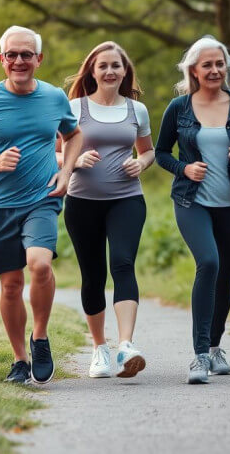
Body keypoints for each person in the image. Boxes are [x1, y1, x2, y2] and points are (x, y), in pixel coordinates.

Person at [0, 26, 83, 385]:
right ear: (2, 60)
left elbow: (74, 135)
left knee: (39, 264)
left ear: (39, 59)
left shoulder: (55, 97)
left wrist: (66, 171)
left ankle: (40, 336)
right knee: (11, 285)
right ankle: (19, 360)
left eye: (27, 54)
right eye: (12, 55)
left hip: (42, 198)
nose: (19, 61)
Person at [155, 36, 230, 384]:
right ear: (194, 71)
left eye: (220, 64)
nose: (215, 70)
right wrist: (183, 169)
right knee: (210, 263)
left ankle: (216, 348)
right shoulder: (179, 108)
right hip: (191, 200)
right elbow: (161, 153)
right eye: (207, 65)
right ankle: (200, 356)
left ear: (226, 68)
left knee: (226, 274)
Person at [63, 41, 154, 378]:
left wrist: (141, 164)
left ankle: (126, 346)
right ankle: (100, 348)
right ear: (92, 71)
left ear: (124, 71)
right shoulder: (74, 108)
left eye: (116, 65)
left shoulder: (136, 110)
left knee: (123, 263)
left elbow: (148, 151)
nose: (110, 71)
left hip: (127, 199)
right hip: (82, 202)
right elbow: (53, 154)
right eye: (103, 66)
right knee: (93, 274)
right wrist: (75, 159)